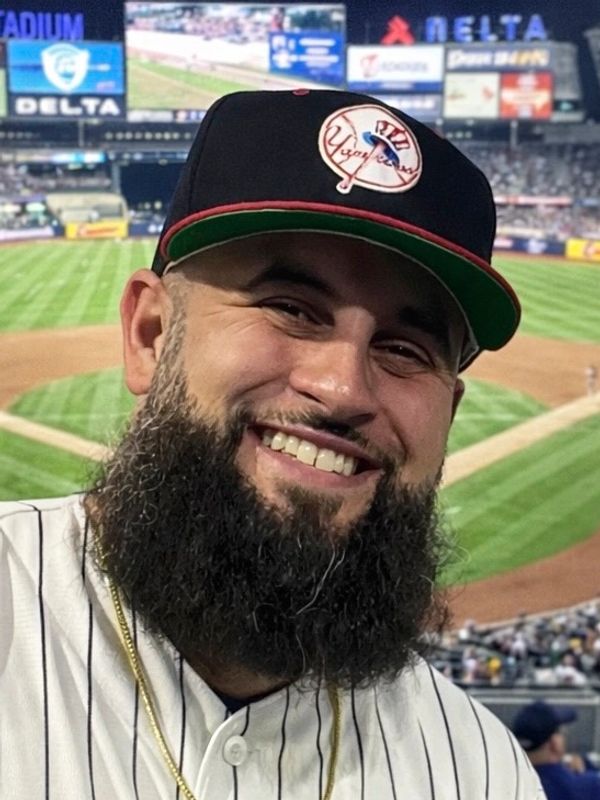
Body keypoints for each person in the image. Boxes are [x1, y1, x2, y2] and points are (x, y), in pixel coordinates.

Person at [0, 90, 545, 798]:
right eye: (291, 308)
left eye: (406, 348)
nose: (344, 388)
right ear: (151, 335)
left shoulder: (483, 773)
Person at [513, 700, 600, 799]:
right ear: (555, 743)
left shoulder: (507, 783)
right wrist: (588, 769)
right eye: (561, 731)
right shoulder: (589, 786)